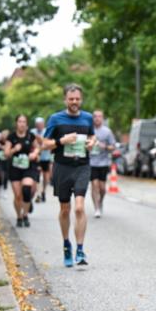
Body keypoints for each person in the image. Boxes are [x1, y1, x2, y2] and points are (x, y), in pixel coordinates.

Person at [43, 84, 95, 267]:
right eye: (71, 99)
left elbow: (92, 136)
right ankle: (67, 245)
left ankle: (80, 250)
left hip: (82, 166)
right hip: (62, 167)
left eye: (77, 99)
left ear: (81, 100)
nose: (74, 102)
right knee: (65, 209)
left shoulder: (88, 118)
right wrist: (61, 141)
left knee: (79, 208)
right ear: (65, 99)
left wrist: (91, 143)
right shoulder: (56, 119)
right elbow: (44, 144)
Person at [6, 114, 41, 227]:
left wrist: (34, 153)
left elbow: (37, 148)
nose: (22, 124)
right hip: (15, 168)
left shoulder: (31, 136)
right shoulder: (11, 137)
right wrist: (13, 149)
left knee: (26, 190)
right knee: (17, 195)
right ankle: (19, 216)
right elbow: (6, 154)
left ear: (26, 124)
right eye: (20, 121)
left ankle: (25, 214)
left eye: (24, 122)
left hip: (28, 167)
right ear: (16, 123)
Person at [89, 110, 118, 217]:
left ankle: (100, 202)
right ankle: (96, 208)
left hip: (103, 162)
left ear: (102, 118)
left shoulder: (107, 131)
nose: (97, 118)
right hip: (91, 162)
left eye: (99, 116)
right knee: (94, 185)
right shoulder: (89, 130)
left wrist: (104, 146)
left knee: (102, 188)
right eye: (95, 116)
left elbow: (113, 146)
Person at [32, 117, 53, 202]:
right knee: (37, 176)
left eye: (41, 124)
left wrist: (41, 141)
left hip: (46, 157)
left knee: (46, 176)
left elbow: (49, 144)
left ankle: (43, 191)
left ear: (43, 124)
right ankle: (38, 194)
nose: (39, 126)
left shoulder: (47, 131)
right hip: (36, 158)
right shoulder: (32, 132)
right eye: (37, 124)